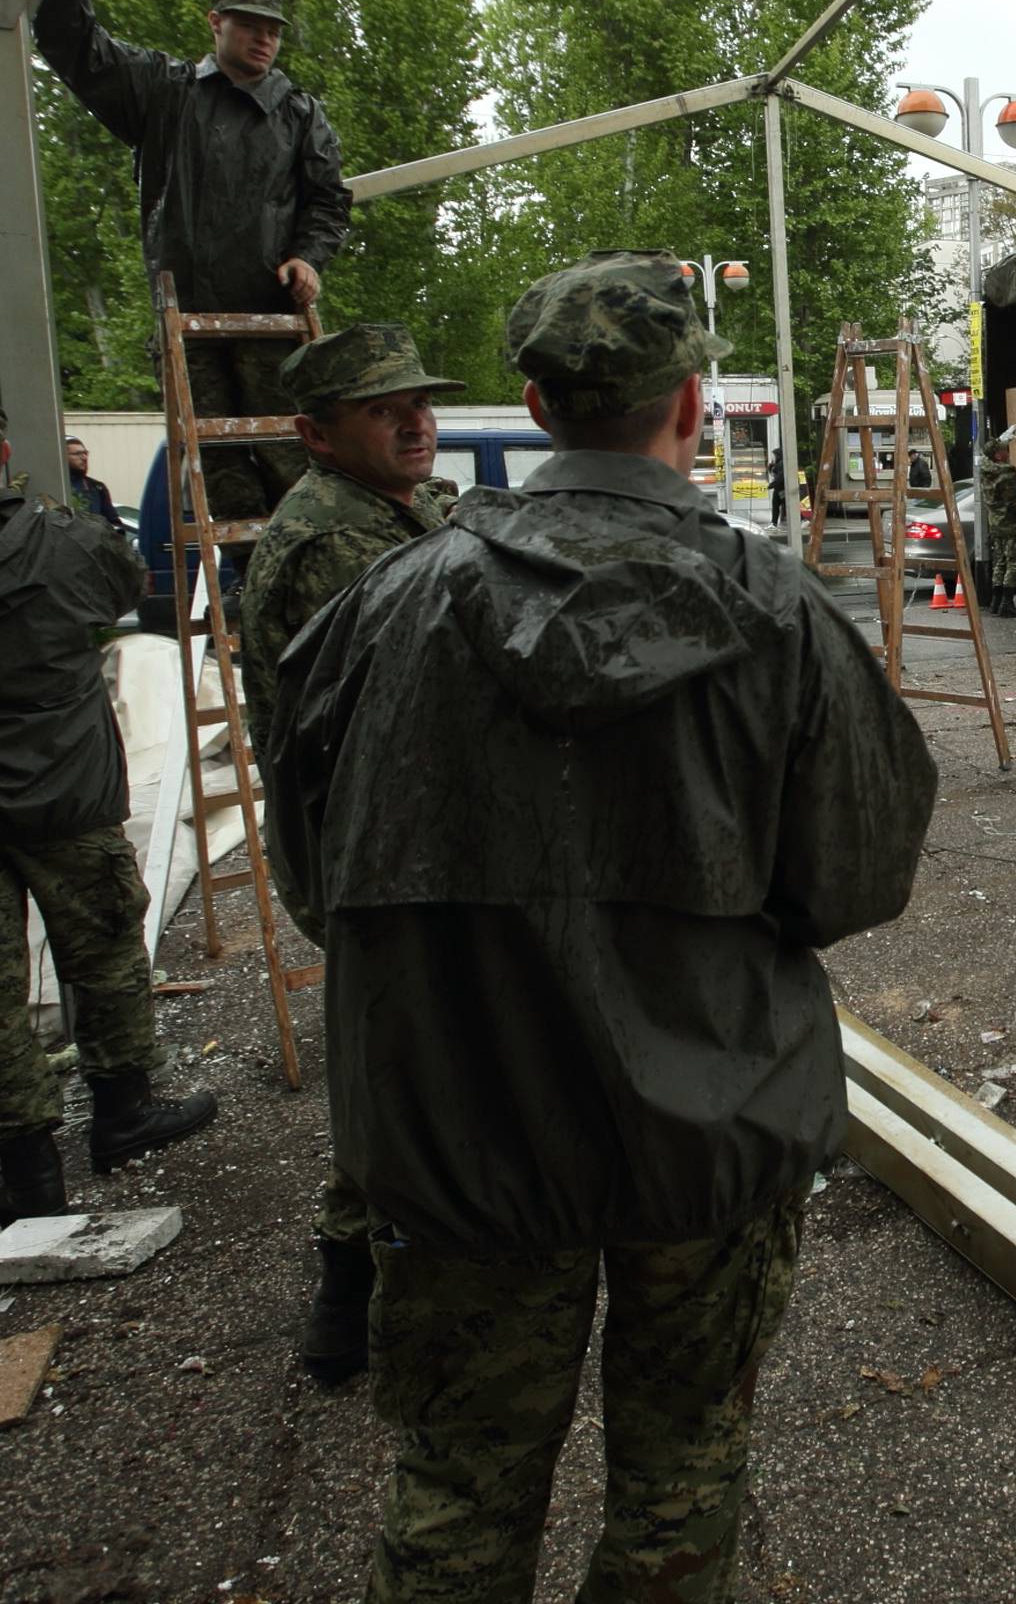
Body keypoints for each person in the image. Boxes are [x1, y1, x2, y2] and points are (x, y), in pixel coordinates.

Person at [267, 250, 937, 1602]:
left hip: (458, 1136)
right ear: (693, 406)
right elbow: (858, 876)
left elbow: (311, 879)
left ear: (530, 405)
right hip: (712, 1128)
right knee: (684, 1474)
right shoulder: (781, 614)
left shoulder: (380, 612)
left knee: (458, 1488)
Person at [240, 323, 463, 1384]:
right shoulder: (335, 541)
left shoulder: (385, 507)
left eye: (419, 400)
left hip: (393, 837)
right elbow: (426, 691)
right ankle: (357, 1292)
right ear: (316, 434)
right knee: (408, 1064)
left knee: (413, 1056)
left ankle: (361, 1287)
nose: (416, 420)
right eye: (385, 409)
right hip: (376, 852)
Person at [33, 0, 353, 521]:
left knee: (292, 456)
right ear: (215, 24)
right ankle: (246, 586)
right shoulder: (166, 93)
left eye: (274, 30)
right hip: (188, 320)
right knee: (218, 464)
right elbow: (76, 48)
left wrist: (308, 257)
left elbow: (330, 199)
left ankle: (309, 577)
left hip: (271, 315)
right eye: (251, 25)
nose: (265, 39)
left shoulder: (300, 113)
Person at [0, 407, 217, 1225]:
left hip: (56, 786)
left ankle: (26, 1175)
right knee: (103, 952)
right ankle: (123, 1112)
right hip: (65, 788)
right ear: (5, 448)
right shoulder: (61, 540)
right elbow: (130, 583)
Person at [982, 426, 1016, 617]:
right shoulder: (1007, 476)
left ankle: (995, 602)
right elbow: (1013, 504)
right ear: (999, 456)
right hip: (1009, 524)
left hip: (995, 524)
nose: (1007, 452)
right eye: (1004, 449)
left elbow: (985, 455)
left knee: (999, 561)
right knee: (1014, 563)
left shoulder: (986, 471)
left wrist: (1002, 439)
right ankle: (1007, 604)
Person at [64, 439, 130, 534]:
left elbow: (113, 522)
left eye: (85, 453)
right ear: (63, 457)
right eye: (77, 454)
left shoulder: (97, 487)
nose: (84, 457)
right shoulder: (58, 485)